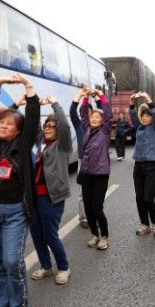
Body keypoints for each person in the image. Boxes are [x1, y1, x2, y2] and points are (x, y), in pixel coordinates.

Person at [0, 74, 40, 307]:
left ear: (18, 131)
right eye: (1, 123)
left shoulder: (23, 146)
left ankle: (18, 302)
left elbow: (33, 114)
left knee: (12, 261)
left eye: (9, 124)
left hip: (15, 211)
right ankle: (1, 301)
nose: (3, 126)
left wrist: (27, 85)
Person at [27, 95, 71, 285]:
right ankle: (46, 267)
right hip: (34, 197)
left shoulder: (62, 145)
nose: (47, 129)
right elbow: (34, 124)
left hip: (52, 198)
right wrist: (34, 103)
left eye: (52, 127)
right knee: (36, 234)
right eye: (46, 126)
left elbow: (65, 126)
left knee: (50, 235)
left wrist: (55, 104)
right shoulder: (40, 142)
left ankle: (63, 267)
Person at [76, 87, 113, 250]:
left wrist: (101, 96)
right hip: (86, 175)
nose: (94, 118)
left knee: (97, 208)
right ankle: (95, 235)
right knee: (88, 208)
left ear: (103, 121)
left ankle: (104, 236)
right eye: (93, 116)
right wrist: (85, 98)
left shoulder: (105, 132)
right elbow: (83, 114)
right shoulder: (87, 129)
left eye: (98, 117)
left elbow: (109, 114)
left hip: (100, 175)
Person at [130, 92, 155, 237]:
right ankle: (145, 224)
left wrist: (149, 100)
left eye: (148, 115)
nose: (144, 117)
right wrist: (132, 103)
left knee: (148, 198)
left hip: (153, 167)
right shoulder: (140, 128)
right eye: (143, 115)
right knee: (139, 198)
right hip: (138, 166)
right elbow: (133, 116)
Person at [69, 95, 88, 229]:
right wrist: (81, 97)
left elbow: (103, 110)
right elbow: (72, 112)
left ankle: (93, 214)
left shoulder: (100, 128)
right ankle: (83, 217)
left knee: (95, 192)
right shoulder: (79, 126)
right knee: (83, 192)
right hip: (83, 160)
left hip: (97, 163)